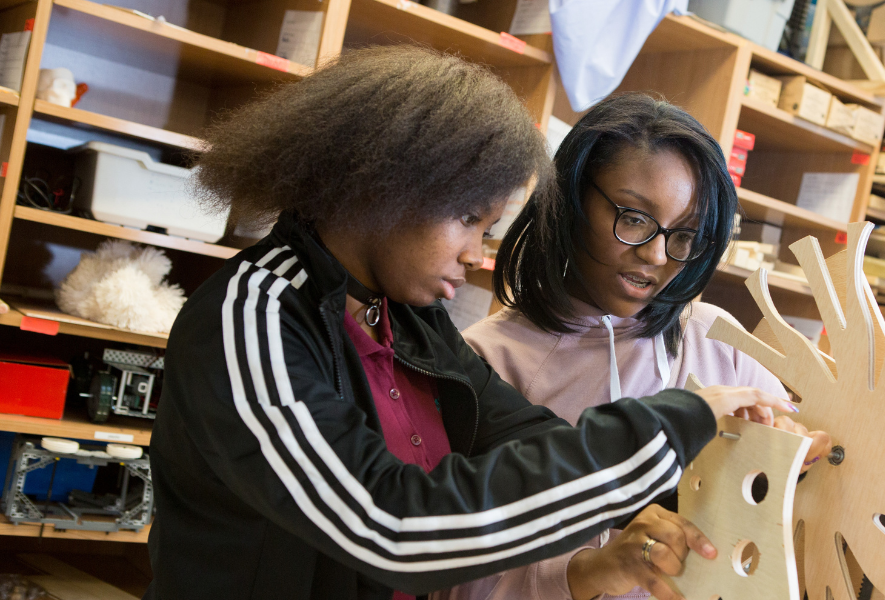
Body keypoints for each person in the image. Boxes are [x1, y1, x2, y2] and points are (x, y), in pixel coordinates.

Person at [145, 47, 797, 600]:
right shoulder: (253, 316)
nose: (477, 254)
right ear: (382, 187)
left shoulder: (408, 318)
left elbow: (519, 434)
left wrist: (686, 499)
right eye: (468, 219)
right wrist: (670, 422)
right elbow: (389, 525)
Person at [449, 94, 833, 600]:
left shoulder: (718, 341)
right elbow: (459, 582)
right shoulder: (486, 364)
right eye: (633, 218)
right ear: (568, 199)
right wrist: (591, 571)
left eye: (684, 234)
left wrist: (791, 462)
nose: (656, 254)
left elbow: (792, 535)